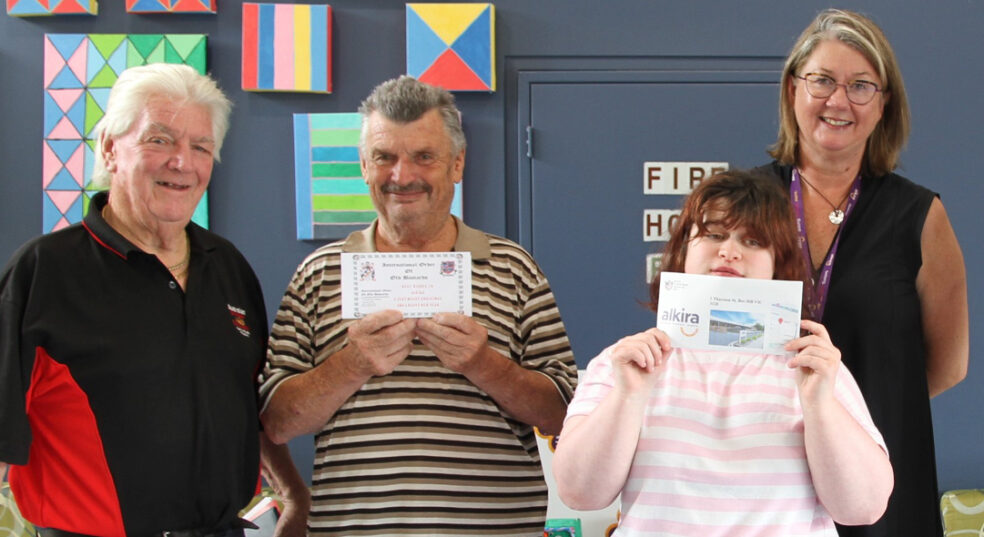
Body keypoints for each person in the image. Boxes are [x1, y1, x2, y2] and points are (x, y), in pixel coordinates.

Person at [0, 64, 308, 537]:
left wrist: (293, 492)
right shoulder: (43, 272)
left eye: (200, 147)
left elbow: (246, 404)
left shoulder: (227, 265)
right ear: (109, 148)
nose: (182, 162)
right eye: (159, 140)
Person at [258, 75, 577, 536]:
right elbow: (278, 422)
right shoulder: (319, 272)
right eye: (384, 157)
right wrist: (352, 365)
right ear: (363, 166)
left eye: (424, 157)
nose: (401, 176)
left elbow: (563, 412)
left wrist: (483, 365)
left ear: (457, 163)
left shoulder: (515, 269)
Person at [553, 170, 892, 536]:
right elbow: (579, 493)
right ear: (683, 249)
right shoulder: (624, 363)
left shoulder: (815, 368)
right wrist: (628, 396)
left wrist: (820, 405)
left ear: (778, 263)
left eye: (753, 241)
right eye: (713, 235)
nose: (729, 251)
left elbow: (863, 508)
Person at [759, 9, 968, 537]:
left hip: (879, 477)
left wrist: (853, 414)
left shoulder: (920, 215)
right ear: (792, 91)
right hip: (762, 473)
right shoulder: (743, 205)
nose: (838, 101)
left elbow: (947, 365)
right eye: (822, 80)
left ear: (883, 106)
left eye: (860, 86)